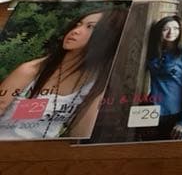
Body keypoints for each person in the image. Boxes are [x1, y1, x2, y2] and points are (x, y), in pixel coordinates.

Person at [0, 8, 128, 140]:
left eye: (90, 27)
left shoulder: (95, 85)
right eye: (78, 24)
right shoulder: (31, 71)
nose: (76, 31)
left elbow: (80, 136)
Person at [146, 15, 182, 140]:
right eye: (166, 29)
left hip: (178, 113)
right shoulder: (153, 50)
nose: (171, 32)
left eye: (176, 28)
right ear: (159, 31)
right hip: (153, 112)